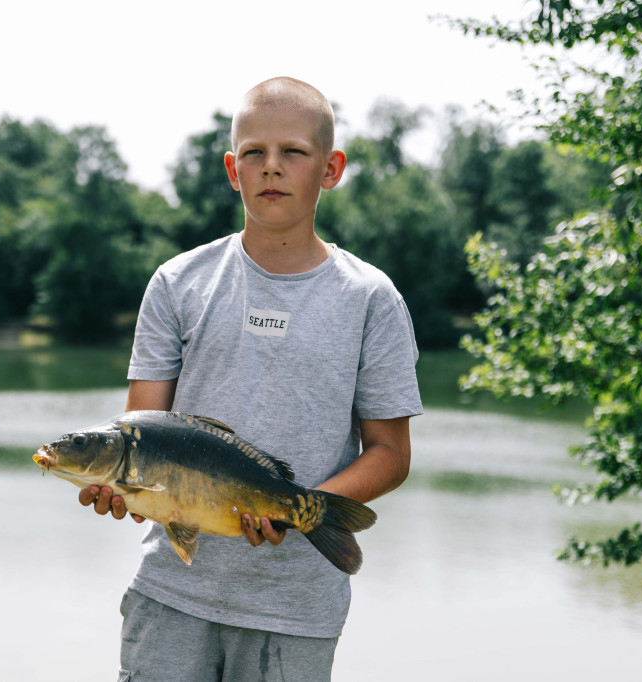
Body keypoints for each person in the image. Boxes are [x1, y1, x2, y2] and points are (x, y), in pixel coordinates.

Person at [80, 76, 423, 681]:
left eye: (293, 152)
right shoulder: (176, 282)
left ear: (331, 168)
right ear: (232, 171)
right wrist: (122, 490)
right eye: (253, 154)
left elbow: (391, 453)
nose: (272, 168)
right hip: (170, 595)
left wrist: (301, 510)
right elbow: (141, 433)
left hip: (294, 611)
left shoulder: (372, 298)